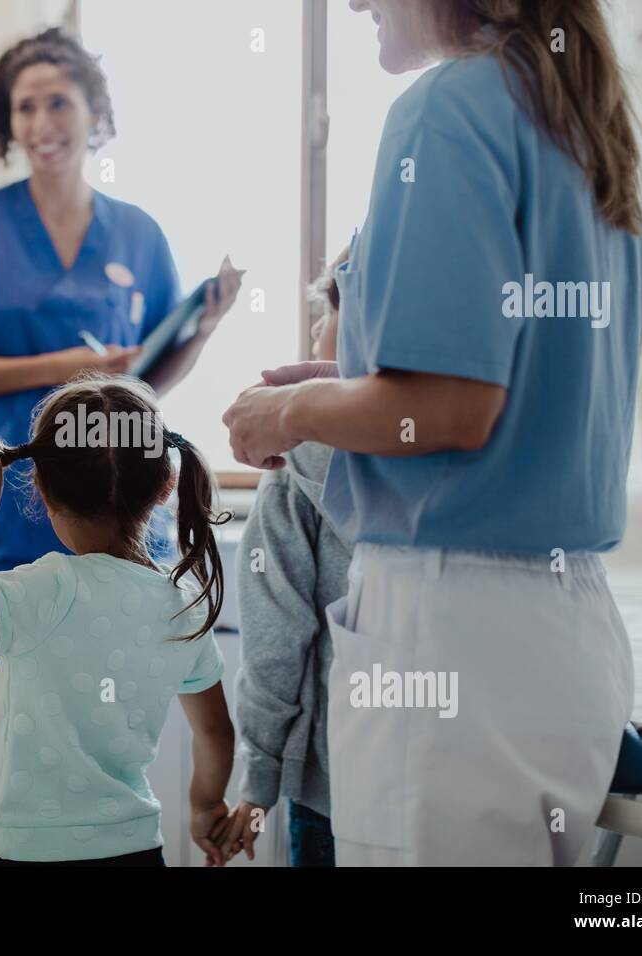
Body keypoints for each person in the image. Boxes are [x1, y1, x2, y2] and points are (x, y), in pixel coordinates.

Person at [222, 0, 642, 865]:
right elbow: (505, 389)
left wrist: (289, 413)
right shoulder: (577, 121)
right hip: (561, 637)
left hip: (454, 638)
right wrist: (353, 387)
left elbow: (451, 407)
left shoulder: (448, 107)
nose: (355, 3)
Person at [0, 27, 241, 866]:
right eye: (25, 105)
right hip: (10, 526)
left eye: (59, 100)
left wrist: (202, 324)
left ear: (94, 112)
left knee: (106, 736)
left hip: (114, 531)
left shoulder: (138, 232)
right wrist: (70, 364)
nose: (43, 119)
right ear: (4, 123)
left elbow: (148, 380)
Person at [0, 373, 235, 866]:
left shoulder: (41, 593)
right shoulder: (184, 605)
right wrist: (206, 807)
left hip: (35, 854)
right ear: (165, 486)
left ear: (41, 487)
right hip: (137, 848)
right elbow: (216, 732)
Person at [221, 263, 354, 866]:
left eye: (327, 311)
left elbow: (276, 644)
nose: (317, 331)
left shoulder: (293, 467)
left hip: (332, 785)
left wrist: (258, 781)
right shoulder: (461, 457)